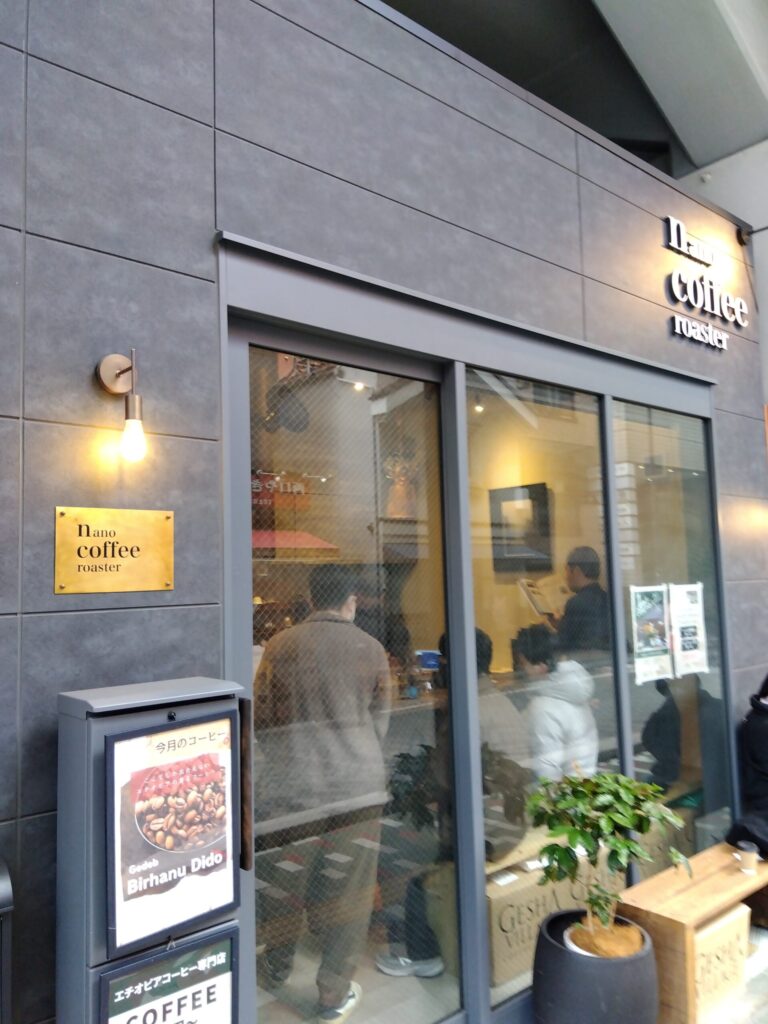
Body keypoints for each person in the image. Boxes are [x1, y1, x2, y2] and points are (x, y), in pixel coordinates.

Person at [253, 563, 391, 1023]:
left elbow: (261, 717)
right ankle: (332, 994)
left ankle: (275, 967)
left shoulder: (280, 645)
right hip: (357, 789)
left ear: (311, 599)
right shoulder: (371, 648)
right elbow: (380, 721)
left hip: (293, 789)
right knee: (349, 894)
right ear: (351, 600)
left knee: (283, 885)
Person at [375, 628, 529, 978]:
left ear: (451, 663)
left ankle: (420, 953)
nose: (439, 666)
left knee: (403, 856)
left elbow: (445, 780)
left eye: (442, 660)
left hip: (487, 831)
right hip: (512, 820)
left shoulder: (467, 712)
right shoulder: (499, 700)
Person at [517, 623, 598, 780]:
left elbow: (546, 772)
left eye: (523, 664)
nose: (521, 670)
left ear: (541, 667)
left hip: (565, 791)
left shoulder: (543, 709)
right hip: (584, 784)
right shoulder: (574, 693)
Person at [549, 546, 610, 653]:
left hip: (585, 660)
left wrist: (546, 631)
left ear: (576, 571)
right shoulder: (607, 598)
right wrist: (561, 625)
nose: (566, 577)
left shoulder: (576, 603)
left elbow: (563, 643)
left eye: (567, 570)